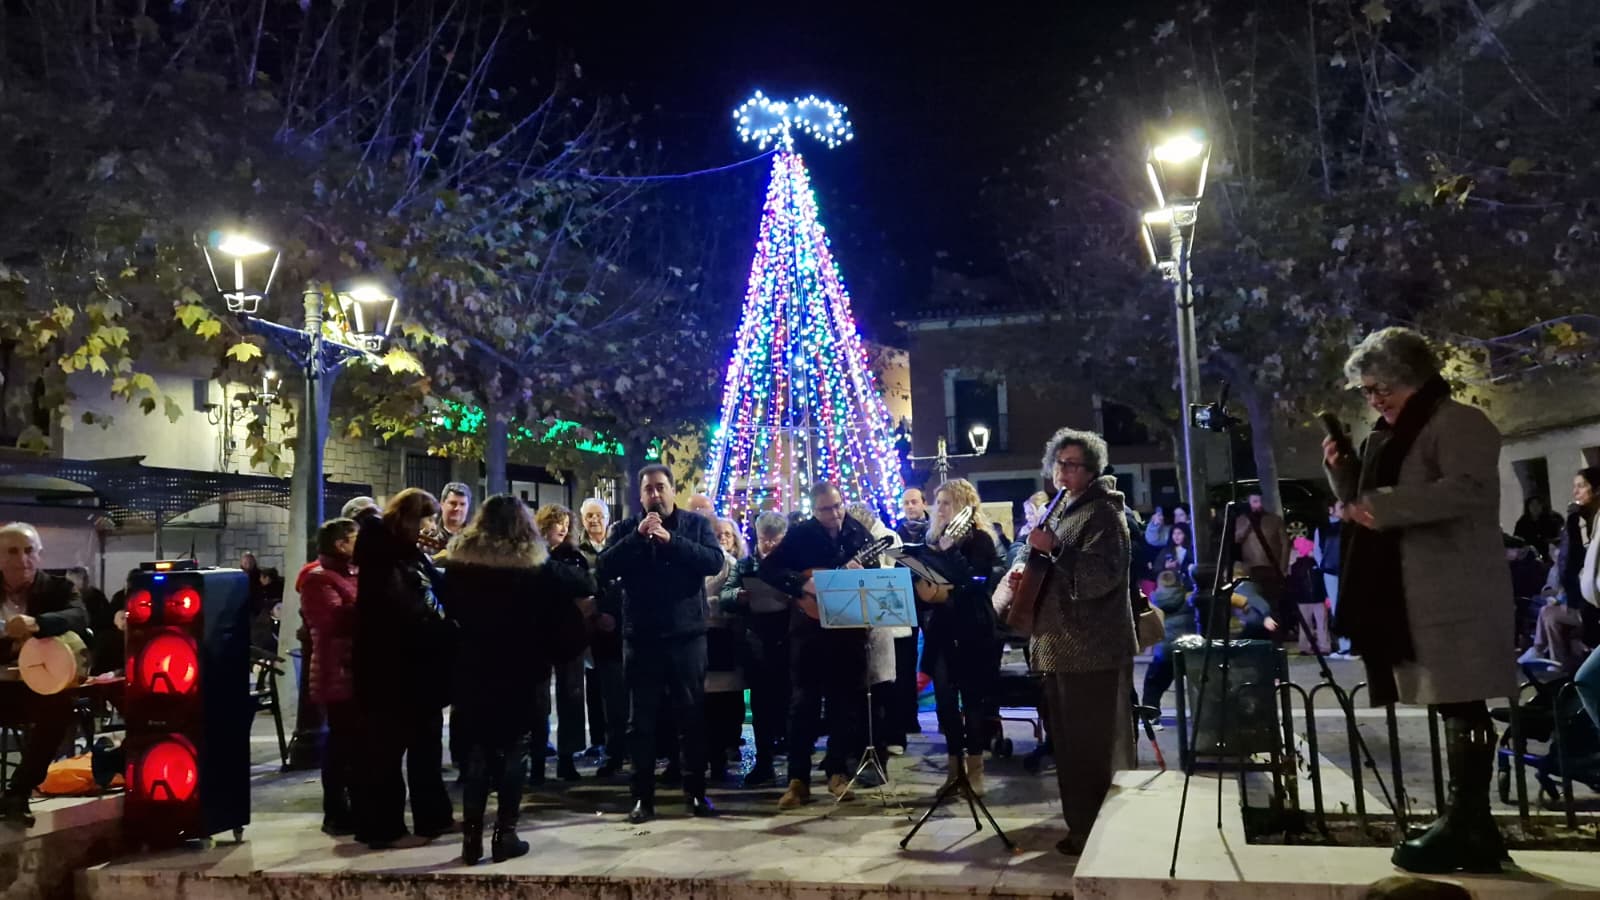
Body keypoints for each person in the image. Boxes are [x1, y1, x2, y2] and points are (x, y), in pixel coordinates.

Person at [1324, 326, 1515, 874]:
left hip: (1455, 588)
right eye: (1366, 390)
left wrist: (1382, 504)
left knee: (1463, 698)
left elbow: (1468, 490)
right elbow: (1363, 502)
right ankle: (1469, 823)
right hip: (1411, 591)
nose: (1374, 399)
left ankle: (1468, 821)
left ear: (1415, 377)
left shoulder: (1458, 423)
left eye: (1383, 386)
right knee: (1452, 701)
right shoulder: (1387, 434)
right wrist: (1342, 473)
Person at [435, 495, 591, 863]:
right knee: (513, 750)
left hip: (473, 668)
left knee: (476, 752)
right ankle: (505, 833)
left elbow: (448, 603)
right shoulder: (535, 565)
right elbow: (583, 582)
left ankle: (471, 838)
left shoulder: (460, 562)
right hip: (521, 669)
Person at [1010, 428, 1135, 856]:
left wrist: (1056, 549)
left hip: (1090, 649)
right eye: (1059, 463)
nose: (1062, 472)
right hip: (1060, 647)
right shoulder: (1065, 508)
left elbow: (1101, 576)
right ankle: (1081, 826)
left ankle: (1096, 833)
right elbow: (1053, 568)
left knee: (1091, 749)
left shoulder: (1104, 513)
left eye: (1073, 465)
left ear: (1093, 469)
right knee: (1069, 747)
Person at [597, 464, 726, 824]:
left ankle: (696, 793)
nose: (655, 494)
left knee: (691, 717)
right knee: (641, 722)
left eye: (661, 487)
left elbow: (713, 561)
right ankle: (642, 798)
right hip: (642, 637)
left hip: (687, 635)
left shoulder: (695, 525)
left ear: (672, 491)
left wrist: (672, 543)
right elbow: (604, 567)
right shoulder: (625, 529)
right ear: (641, 496)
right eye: (649, 489)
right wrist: (637, 538)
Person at [760, 482, 874, 809]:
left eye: (838, 506)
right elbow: (768, 568)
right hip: (809, 633)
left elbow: (875, 575)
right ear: (814, 508)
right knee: (803, 706)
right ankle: (798, 780)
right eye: (826, 509)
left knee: (845, 705)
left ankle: (837, 771)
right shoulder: (800, 535)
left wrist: (861, 572)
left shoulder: (857, 533)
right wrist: (802, 583)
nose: (835, 514)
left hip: (848, 632)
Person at [351, 488, 455, 848]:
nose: (431, 527)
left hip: (420, 670)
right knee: (386, 752)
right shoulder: (383, 555)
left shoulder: (411, 555)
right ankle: (384, 829)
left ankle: (433, 817)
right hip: (392, 672)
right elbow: (399, 610)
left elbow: (438, 593)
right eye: (426, 518)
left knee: (426, 748)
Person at [0, 523, 89, 825]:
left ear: (39, 555)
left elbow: (78, 617)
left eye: (29, 551)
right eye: (12, 551)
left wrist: (36, 624)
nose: (22, 559)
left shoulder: (59, 588)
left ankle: (18, 792)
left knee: (58, 711)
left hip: (39, 686)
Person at [918, 479, 1001, 796]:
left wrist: (951, 551)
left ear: (965, 505)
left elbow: (975, 582)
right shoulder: (933, 540)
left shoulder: (980, 539)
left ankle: (976, 772)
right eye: (938, 503)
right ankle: (954, 771)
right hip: (942, 629)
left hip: (973, 628)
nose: (940, 509)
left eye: (947, 503)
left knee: (973, 700)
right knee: (945, 702)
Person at [299, 517, 361, 836]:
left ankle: (356, 806)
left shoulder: (352, 573)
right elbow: (333, 622)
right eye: (356, 538)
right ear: (341, 544)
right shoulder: (317, 579)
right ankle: (336, 812)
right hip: (336, 671)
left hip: (356, 671)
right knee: (340, 744)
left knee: (355, 744)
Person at [720, 512, 791, 787]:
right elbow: (726, 594)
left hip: (788, 639)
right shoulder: (746, 565)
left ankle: (794, 763)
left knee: (788, 705)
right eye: (765, 540)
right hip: (757, 642)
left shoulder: (791, 564)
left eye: (776, 540)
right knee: (761, 706)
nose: (770, 546)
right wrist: (738, 596)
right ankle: (764, 763)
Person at [529, 504, 591, 783]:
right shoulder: (531, 556)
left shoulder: (572, 557)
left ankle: (567, 759)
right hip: (539, 636)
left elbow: (585, 584)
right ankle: (538, 760)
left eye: (567, 523)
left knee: (571, 698)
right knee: (537, 702)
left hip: (569, 635)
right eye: (558, 522)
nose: (563, 528)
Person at [577, 498, 627, 777]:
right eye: (589, 516)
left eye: (599, 515)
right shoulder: (590, 562)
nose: (595, 520)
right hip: (605, 638)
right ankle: (612, 749)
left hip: (629, 637)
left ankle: (624, 750)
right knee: (609, 698)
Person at [703, 517, 747, 782]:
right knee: (706, 702)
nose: (721, 538)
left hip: (724, 637)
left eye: (727, 534)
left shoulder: (731, 565)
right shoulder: (700, 562)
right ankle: (711, 755)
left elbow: (733, 600)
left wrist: (706, 604)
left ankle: (723, 752)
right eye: (717, 533)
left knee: (725, 701)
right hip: (702, 636)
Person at [1139, 569, 1193, 727]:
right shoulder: (1188, 598)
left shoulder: (1153, 600)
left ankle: (1150, 715)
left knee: (1153, 684)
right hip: (1188, 646)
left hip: (1165, 650)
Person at [1234, 492, 1290, 635]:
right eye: (1254, 501)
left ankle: (1276, 634)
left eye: (1259, 501)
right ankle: (1258, 632)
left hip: (1271, 568)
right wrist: (1247, 524)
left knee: (1273, 602)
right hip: (1251, 569)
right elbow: (1237, 539)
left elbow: (1285, 544)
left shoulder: (1274, 520)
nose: (1257, 504)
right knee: (1256, 602)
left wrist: (1282, 568)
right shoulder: (1242, 520)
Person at [1562, 467, 1600, 648]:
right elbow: (1570, 558)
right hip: (1587, 601)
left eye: (1582, 486)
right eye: (1574, 486)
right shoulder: (1578, 520)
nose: (1575, 491)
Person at [1314, 500, 1351, 657]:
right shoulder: (1323, 529)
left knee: (1349, 608)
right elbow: (1318, 550)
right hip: (1330, 572)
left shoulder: (1348, 527)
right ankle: (1344, 646)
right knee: (1336, 610)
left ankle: (1352, 646)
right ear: (1330, 509)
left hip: (1346, 571)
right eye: (1340, 507)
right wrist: (1323, 566)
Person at [1514, 496, 1563, 560]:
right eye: (1532, 505)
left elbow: (1557, 537)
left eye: (1538, 504)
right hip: (1529, 555)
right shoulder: (1522, 522)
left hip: (1549, 554)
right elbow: (1517, 539)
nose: (1535, 507)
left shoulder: (1550, 520)